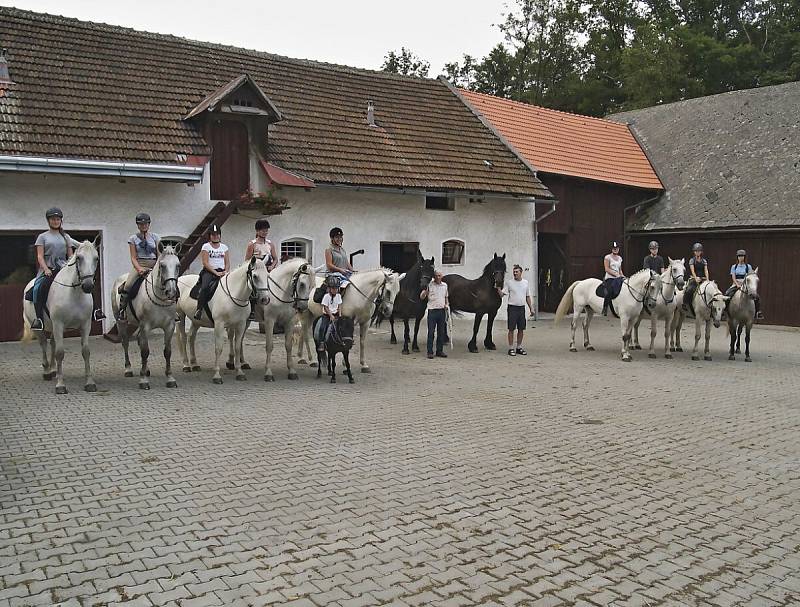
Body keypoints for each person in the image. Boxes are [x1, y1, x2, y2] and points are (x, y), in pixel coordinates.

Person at [30, 208, 76, 331]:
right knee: (38, 288)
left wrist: (70, 266)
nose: (55, 221)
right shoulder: (42, 237)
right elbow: (39, 256)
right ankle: (39, 319)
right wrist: (45, 269)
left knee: (84, 283)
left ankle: (95, 311)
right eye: (53, 219)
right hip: (48, 268)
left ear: (61, 221)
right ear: (48, 221)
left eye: (57, 219)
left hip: (63, 267)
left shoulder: (66, 237)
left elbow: (70, 255)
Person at [116, 213, 161, 321]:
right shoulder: (133, 239)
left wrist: (156, 267)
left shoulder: (156, 237)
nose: (143, 226)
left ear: (149, 224)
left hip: (154, 264)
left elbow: (159, 254)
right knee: (128, 285)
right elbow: (133, 257)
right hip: (140, 265)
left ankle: (174, 311)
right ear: (138, 225)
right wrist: (139, 269)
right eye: (141, 224)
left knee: (169, 283)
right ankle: (122, 311)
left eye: (145, 223)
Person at [194, 225, 229, 320]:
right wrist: (215, 273)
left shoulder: (224, 247)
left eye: (217, 234)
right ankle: (199, 309)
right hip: (209, 271)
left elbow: (227, 262)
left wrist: (225, 271)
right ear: (210, 236)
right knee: (205, 287)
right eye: (213, 235)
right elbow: (205, 262)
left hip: (222, 271)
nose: (215, 236)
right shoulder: (206, 246)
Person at [502, 264, 534, 356]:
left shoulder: (525, 283)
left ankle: (519, 347)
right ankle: (511, 348)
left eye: (517, 272)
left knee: (521, 329)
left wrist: (531, 308)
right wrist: (498, 289)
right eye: (514, 272)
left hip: (521, 308)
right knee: (511, 329)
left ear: (521, 272)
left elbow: (527, 296)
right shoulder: (509, 283)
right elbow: (502, 294)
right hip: (512, 308)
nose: (515, 273)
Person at [727, 249, 763, 319]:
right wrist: (737, 284)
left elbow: (750, 276)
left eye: (742, 256)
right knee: (727, 294)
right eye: (739, 256)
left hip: (745, 284)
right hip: (736, 283)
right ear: (737, 257)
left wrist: (745, 283)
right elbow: (733, 277)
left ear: (744, 257)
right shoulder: (734, 266)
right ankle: (725, 310)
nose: (741, 258)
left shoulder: (748, 266)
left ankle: (757, 312)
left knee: (757, 297)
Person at [421, 270, 449, 359]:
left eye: (439, 275)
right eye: (436, 275)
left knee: (441, 332)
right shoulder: (429, 285)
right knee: (431, 332)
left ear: (442, 276)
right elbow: (422, 297)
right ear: (434, 276)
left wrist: (447, 304)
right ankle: (430, 352)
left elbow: (446, 297)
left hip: (441, 311)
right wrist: (425, 292)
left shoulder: (445, 286)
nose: (438, 277)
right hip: (432, 311)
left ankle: (439, 351)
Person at [316, 275, 343, 350]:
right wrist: (331, 316)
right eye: (333, 288)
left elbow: (340, 305)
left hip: (336, 314)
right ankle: (321, 342)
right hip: (327, 315)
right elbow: (326, 307)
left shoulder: (338, 296)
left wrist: (340, 315)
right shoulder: (326, 296)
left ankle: (344, 340)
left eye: (336, 288)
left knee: (344, 326)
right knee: (322, 327)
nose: (335, 290)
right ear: (329, 288)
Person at [683, 242, 709, 314]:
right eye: (696, 251)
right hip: (694, 278)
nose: (697, 252)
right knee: (689, 289)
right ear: (694, 252)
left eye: (699, 251)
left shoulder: (704, 261)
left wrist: (707, 279)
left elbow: (706, 270)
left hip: (703, 278)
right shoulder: (692, 260)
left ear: (701, 252)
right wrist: (695, 278)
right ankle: (685, 303)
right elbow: (692, 271)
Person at [602, 241, 624, 316]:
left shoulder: (620, 258)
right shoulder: (607, 257)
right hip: (610, 278)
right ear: (612, 249)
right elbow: (607, 269)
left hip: (618, 278)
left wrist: (622, 276)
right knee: (609, 291)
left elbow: (620, 269)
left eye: (617, 248)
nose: (615, 250)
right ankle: (605, 308)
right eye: (614, 248)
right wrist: (615, 274)